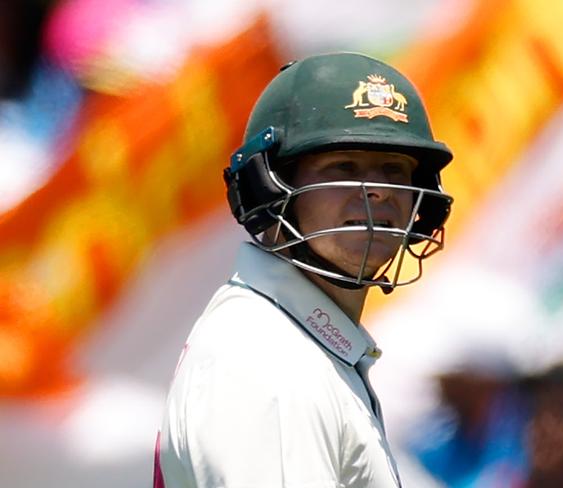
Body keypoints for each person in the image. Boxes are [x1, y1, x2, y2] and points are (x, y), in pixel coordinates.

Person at [154, 52, 454, 488]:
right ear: (269, 187)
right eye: (343, 167)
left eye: (394, 170)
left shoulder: (299, 342)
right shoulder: (264, 355)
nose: (377, 192)